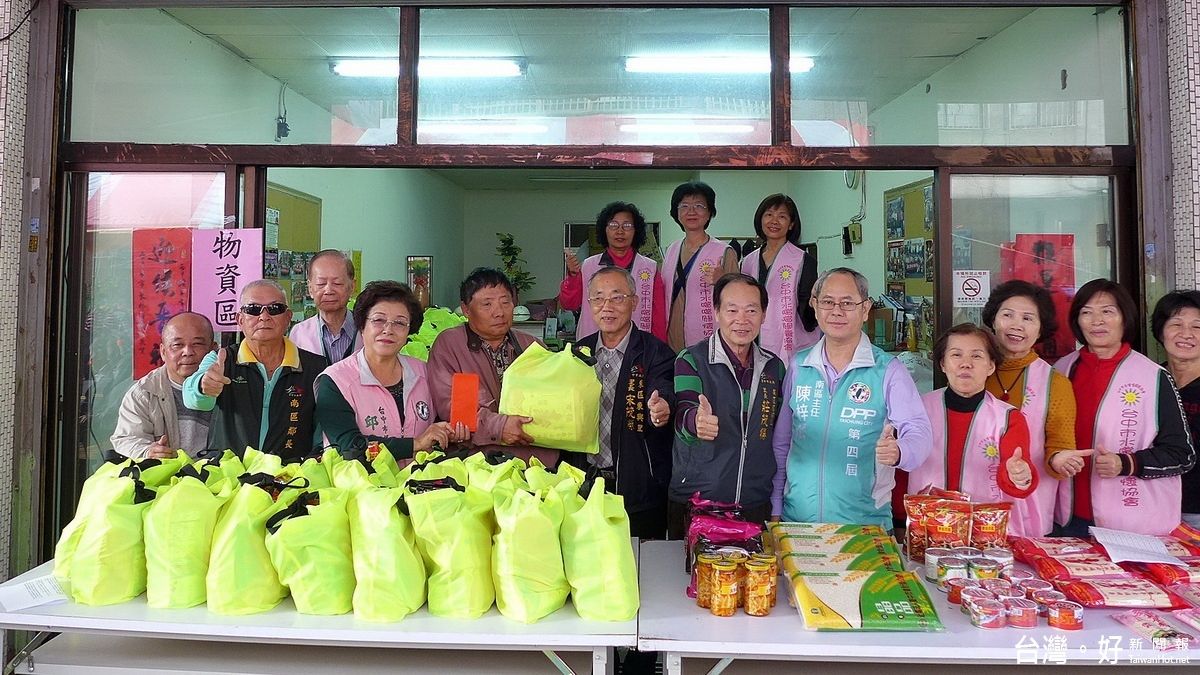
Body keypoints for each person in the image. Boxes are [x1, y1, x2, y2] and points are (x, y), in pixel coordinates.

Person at [771, 268, 932, 529]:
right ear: (815, 306)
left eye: (847, 303)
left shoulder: (887, 370)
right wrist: (776, 506)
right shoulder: (799, 366)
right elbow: (782, 443)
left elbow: (919, 430)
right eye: (827, 302)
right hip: (798, 523)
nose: (836, 311)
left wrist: (901, 451)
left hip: (865, 526)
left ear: (865, 308)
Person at [1053, 279, 1194, 536]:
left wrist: (1126, 463)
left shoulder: (1153, 376)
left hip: (1133, 526)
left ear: (1124, 318)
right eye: (1086, 312)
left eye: (1107, 311)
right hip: (1066, 518)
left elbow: (1181, 454)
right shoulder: (1060, 370)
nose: (1097, 321)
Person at [668, 273, 785, 539]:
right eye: (732, 310)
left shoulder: (774, 367)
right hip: (698, 502)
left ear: (764, 315)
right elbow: (684, 409)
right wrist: (696, 422)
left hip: (755, 502)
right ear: (717, 312)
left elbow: (779, 432)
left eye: (751, 310)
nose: (742, 320)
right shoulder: (692, 359)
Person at [573, 267, 676, 539]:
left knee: (641, 570)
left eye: (617, 298)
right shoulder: (576, 354)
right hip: (583, 486)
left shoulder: (656, 352)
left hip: (639, 489)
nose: (607, 307)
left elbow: (664, 387)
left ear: (634, 301)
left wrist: (662, 407)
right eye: (598, 298)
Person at [316, 281, 469, 463]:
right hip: (361, 488)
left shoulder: (425, 372)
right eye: (379, 320)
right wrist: (416, 443)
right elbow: (349, 448)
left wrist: (450, 431)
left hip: (420, 485)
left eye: (399, 323)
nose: (388, 330)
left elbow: (439, 424)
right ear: (362, 326)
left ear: (409, 331)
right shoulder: (335, 381)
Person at [908, 324, 1040, 533]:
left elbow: (1016, 474)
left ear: (991, 366)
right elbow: (901, 472)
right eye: (956, 355)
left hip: (986, 533)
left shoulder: (1008, 418)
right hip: (925, 530)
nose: (966, 364)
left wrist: (1020, 475)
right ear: (942, 364)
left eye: (977, 356)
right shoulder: (917, 410)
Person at [184, 280, 327, 460]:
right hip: (229, 475)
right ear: (240, 319)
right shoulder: (221, 360)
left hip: (291, 477)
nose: (264, 316)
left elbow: (323, 428)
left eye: (274, 308)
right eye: (253, 309)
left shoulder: (316, 367)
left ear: (288, 317)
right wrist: (203, 386)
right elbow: (193, 399)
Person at [981, 280, 1081, 536]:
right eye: (1007, 315)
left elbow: (1059, 445)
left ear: (1040, 330)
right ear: (993, 320)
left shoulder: (1054, 383)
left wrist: (1060, 460)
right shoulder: (974, 370)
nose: (1017, 325)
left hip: (1029, 507)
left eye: (1028, 318)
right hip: (975, 499)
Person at [427, 268, 556, 464]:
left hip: (536, 460)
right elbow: (455, 410)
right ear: (466, 309)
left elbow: (553, 401)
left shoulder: (532, 346)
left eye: (506, 302)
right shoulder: (450, 345)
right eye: (487, 304)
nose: (499, 312)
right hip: (478, 462)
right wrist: (500, 427)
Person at [111, 312, 216, 459]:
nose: (187, 352)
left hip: (220, 476)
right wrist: (148, 451)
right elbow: (126, 439)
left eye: (197, 344)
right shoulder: (144, 392)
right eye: (177, 345)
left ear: (213, 349)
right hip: (166, 478)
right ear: (163, 351)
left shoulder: (232, 385)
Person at [559, 201, 667, 342]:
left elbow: (658, 317)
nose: (620, 231)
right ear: (604, 230)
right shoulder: (589, 265)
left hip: (637, 349)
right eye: (613, 225)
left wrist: (657, 350)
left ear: (636, 230)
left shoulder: (649, 268)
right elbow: (569, 304)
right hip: (593, 347)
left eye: (627, 225)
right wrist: (573, 276)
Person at [740, 194, 819, 363]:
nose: (774, 221)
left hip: (790, 340)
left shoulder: (803, 260)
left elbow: (808, 308)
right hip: (752, 339)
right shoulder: (747, 262)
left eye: (782, 216)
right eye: (769, 215)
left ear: (791, 224)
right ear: (760, 219)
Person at [661, 181, 739, 353]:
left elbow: (739, 298)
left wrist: (722, 281)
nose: (691, 211)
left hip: (709, 339)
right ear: (676, 213)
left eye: (699, 206)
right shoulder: (671, 250)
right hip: (671, 338)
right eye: (684, 206)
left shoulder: (724, 252)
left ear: (710, 212)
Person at [1150, 290, 1200, 528]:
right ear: (1161, 332)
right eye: (1176, 324)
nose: (1186, 334)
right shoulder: (1147, 381)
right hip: (1153, 508)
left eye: (1197, 327)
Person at [289, 249, 362, 364]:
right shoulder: (299, 333)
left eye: (337, 283)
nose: (328, 290)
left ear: (352, 286)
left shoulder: (366, 330)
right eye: (321, 284)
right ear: (310, 288)